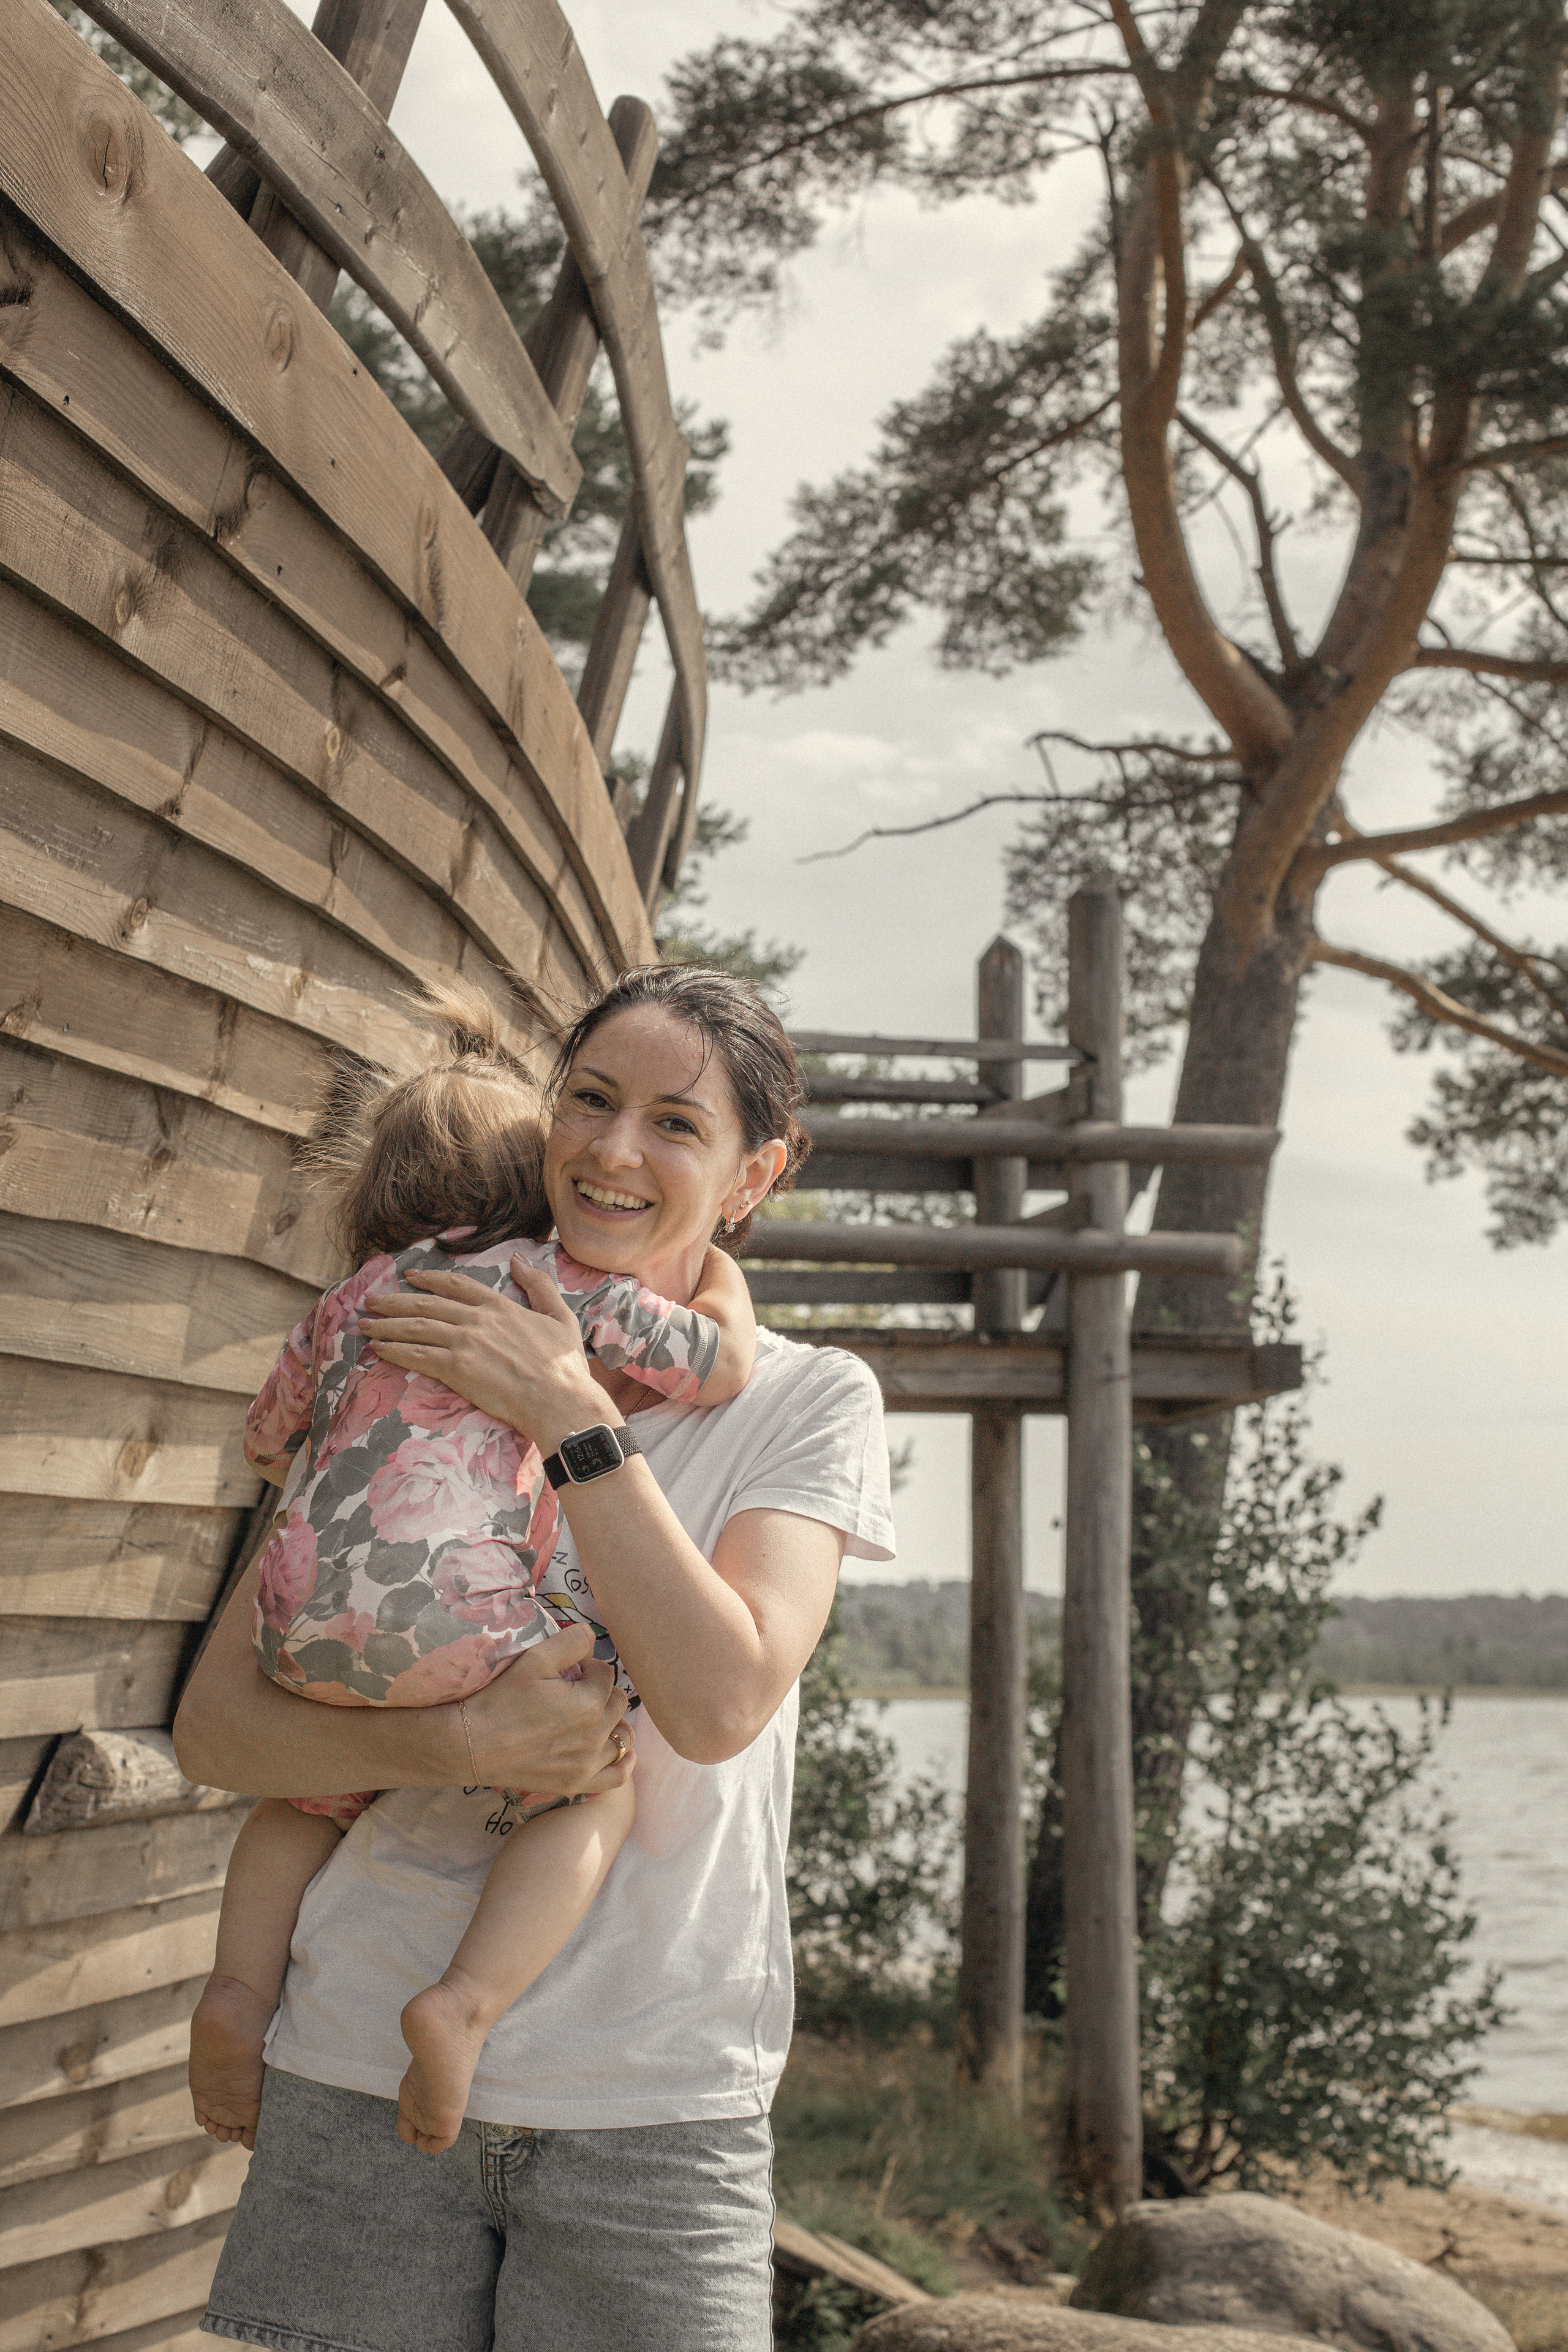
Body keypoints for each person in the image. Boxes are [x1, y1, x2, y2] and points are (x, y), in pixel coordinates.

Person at [175, 963, 895, 2352]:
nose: (614, 1150)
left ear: (755, 1173)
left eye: (676, 1124)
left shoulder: (811, 1399)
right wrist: (454, 1745)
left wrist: (568, 1416)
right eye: (590, 1100)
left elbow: (718, 1702)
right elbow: (217, 1732)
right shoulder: (430, 1332)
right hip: (354, 2056)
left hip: (647, 2098)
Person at [188, 997, 759, 2161]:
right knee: (590, 1780)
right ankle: (464, 2002)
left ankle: (237, 1993)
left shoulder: (347, 1300)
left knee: (302, 1800)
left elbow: (265, 1443)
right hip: (453, 1614)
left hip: (295, 1615)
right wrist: (727, 1289)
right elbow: (716, 1365)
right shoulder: (552, 1284)